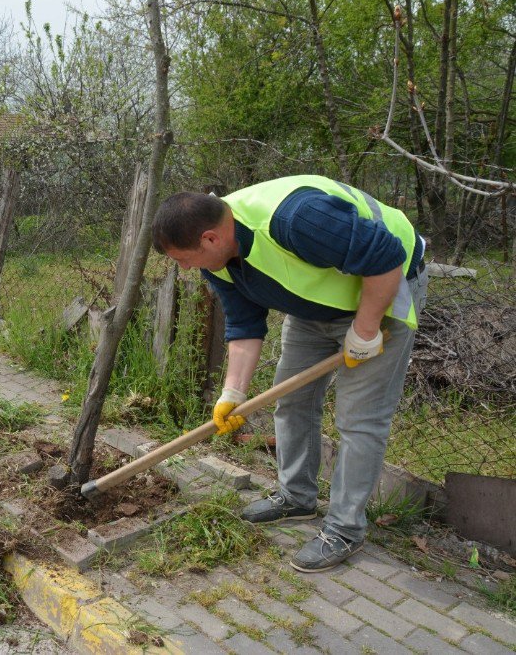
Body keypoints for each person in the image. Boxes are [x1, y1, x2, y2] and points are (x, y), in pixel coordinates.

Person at [152, 175, 427, 573]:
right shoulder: (216, 261)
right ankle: (296, 498)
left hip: (385, 290)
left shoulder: (298, 218)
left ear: (209, 238)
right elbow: (244, 325)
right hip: (316, 306)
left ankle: (345, 529)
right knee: (291, 400)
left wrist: (364, 332)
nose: (184, 267)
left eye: (182, 258)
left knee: (358, 419)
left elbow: (385, 257)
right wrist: (233, 392)